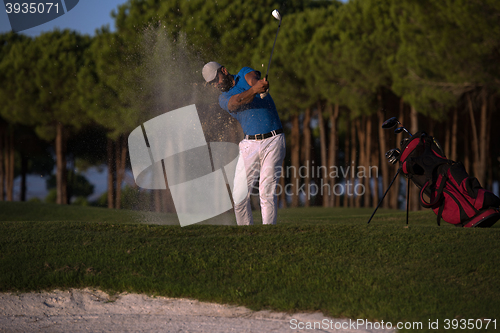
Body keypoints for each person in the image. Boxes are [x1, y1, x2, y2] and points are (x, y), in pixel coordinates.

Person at [202, 61, 286, 225]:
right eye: (211, 84)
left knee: (266, 191)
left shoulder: (243, 73)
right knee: (239, 196)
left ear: (224, 71)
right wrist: (255, 90)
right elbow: (236, 103)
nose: (215, 85)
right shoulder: (223, 98)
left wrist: (259, 85)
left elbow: (252, 77)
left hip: (274, 140)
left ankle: (268, 236)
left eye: (216, 80)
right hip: (250, 145)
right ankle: (246, 236)